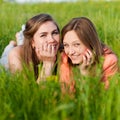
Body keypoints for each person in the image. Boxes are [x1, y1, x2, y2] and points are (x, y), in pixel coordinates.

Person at [59, 17, 118, 91]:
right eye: (66, 45)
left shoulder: (109, 61)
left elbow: (106, 97)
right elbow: (67, 96)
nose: (70, 52)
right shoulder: (65, 59)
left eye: (76, 44)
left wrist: (86, 74)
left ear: (90, 44)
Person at [0, 13, 60, 83]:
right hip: (7, 62)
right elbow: (27, 91)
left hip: (30, 45)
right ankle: (12, 43)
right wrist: (48, 62)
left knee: (22, 42)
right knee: (7, 52)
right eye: (43, 35)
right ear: (32, 41)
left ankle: (20, 38)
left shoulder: (65, 51)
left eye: (55, 33)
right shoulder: (16, 54)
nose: (52, 40)